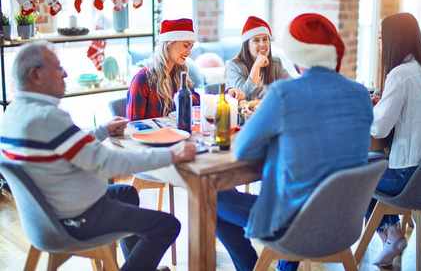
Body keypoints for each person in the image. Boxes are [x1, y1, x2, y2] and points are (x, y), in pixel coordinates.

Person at [0, 41, 197, 271]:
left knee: (127, 192)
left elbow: (67, 145)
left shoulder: (14, 113)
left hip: (45, 219)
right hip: (75, 219)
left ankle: (139, 266)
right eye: (58, 68)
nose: (65, 74)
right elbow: (108, 163)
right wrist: (171, 155)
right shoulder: (48, 117)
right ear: (36, 75)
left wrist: (103, 130)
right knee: (167, 226)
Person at [216, 13, 374, 271]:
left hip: (292, 225)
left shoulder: (284, 94)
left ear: (297, 54)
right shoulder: (360, 94)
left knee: (210, 200)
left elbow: (243, 147)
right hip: (344, 223)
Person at [366, 12, 421, 267]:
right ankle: (392, 235)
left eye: (381, 37)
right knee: (373, 160)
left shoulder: (399, 75)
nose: (379, 43)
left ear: (394, 39)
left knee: (357, 172)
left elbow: (378, 129)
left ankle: (391, 235)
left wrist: (365, 111)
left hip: (409, 178)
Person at [127, 18, 245, 121]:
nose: (189, 52)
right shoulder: (142, 80)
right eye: (185, 45)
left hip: (177, 138)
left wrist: (227, 95)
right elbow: (133, 126)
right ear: (169, 44)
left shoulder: (179, 74)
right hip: (151, 143)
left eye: (191, 47)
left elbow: (198, 104)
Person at [225, 16, 293, 101]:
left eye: (265, 39)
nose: (262, 44)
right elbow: (244, 98)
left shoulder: (275, 63)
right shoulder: (234, 66)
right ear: (247, 47)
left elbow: (292, 85)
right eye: (256, 40)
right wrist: (256, 66)